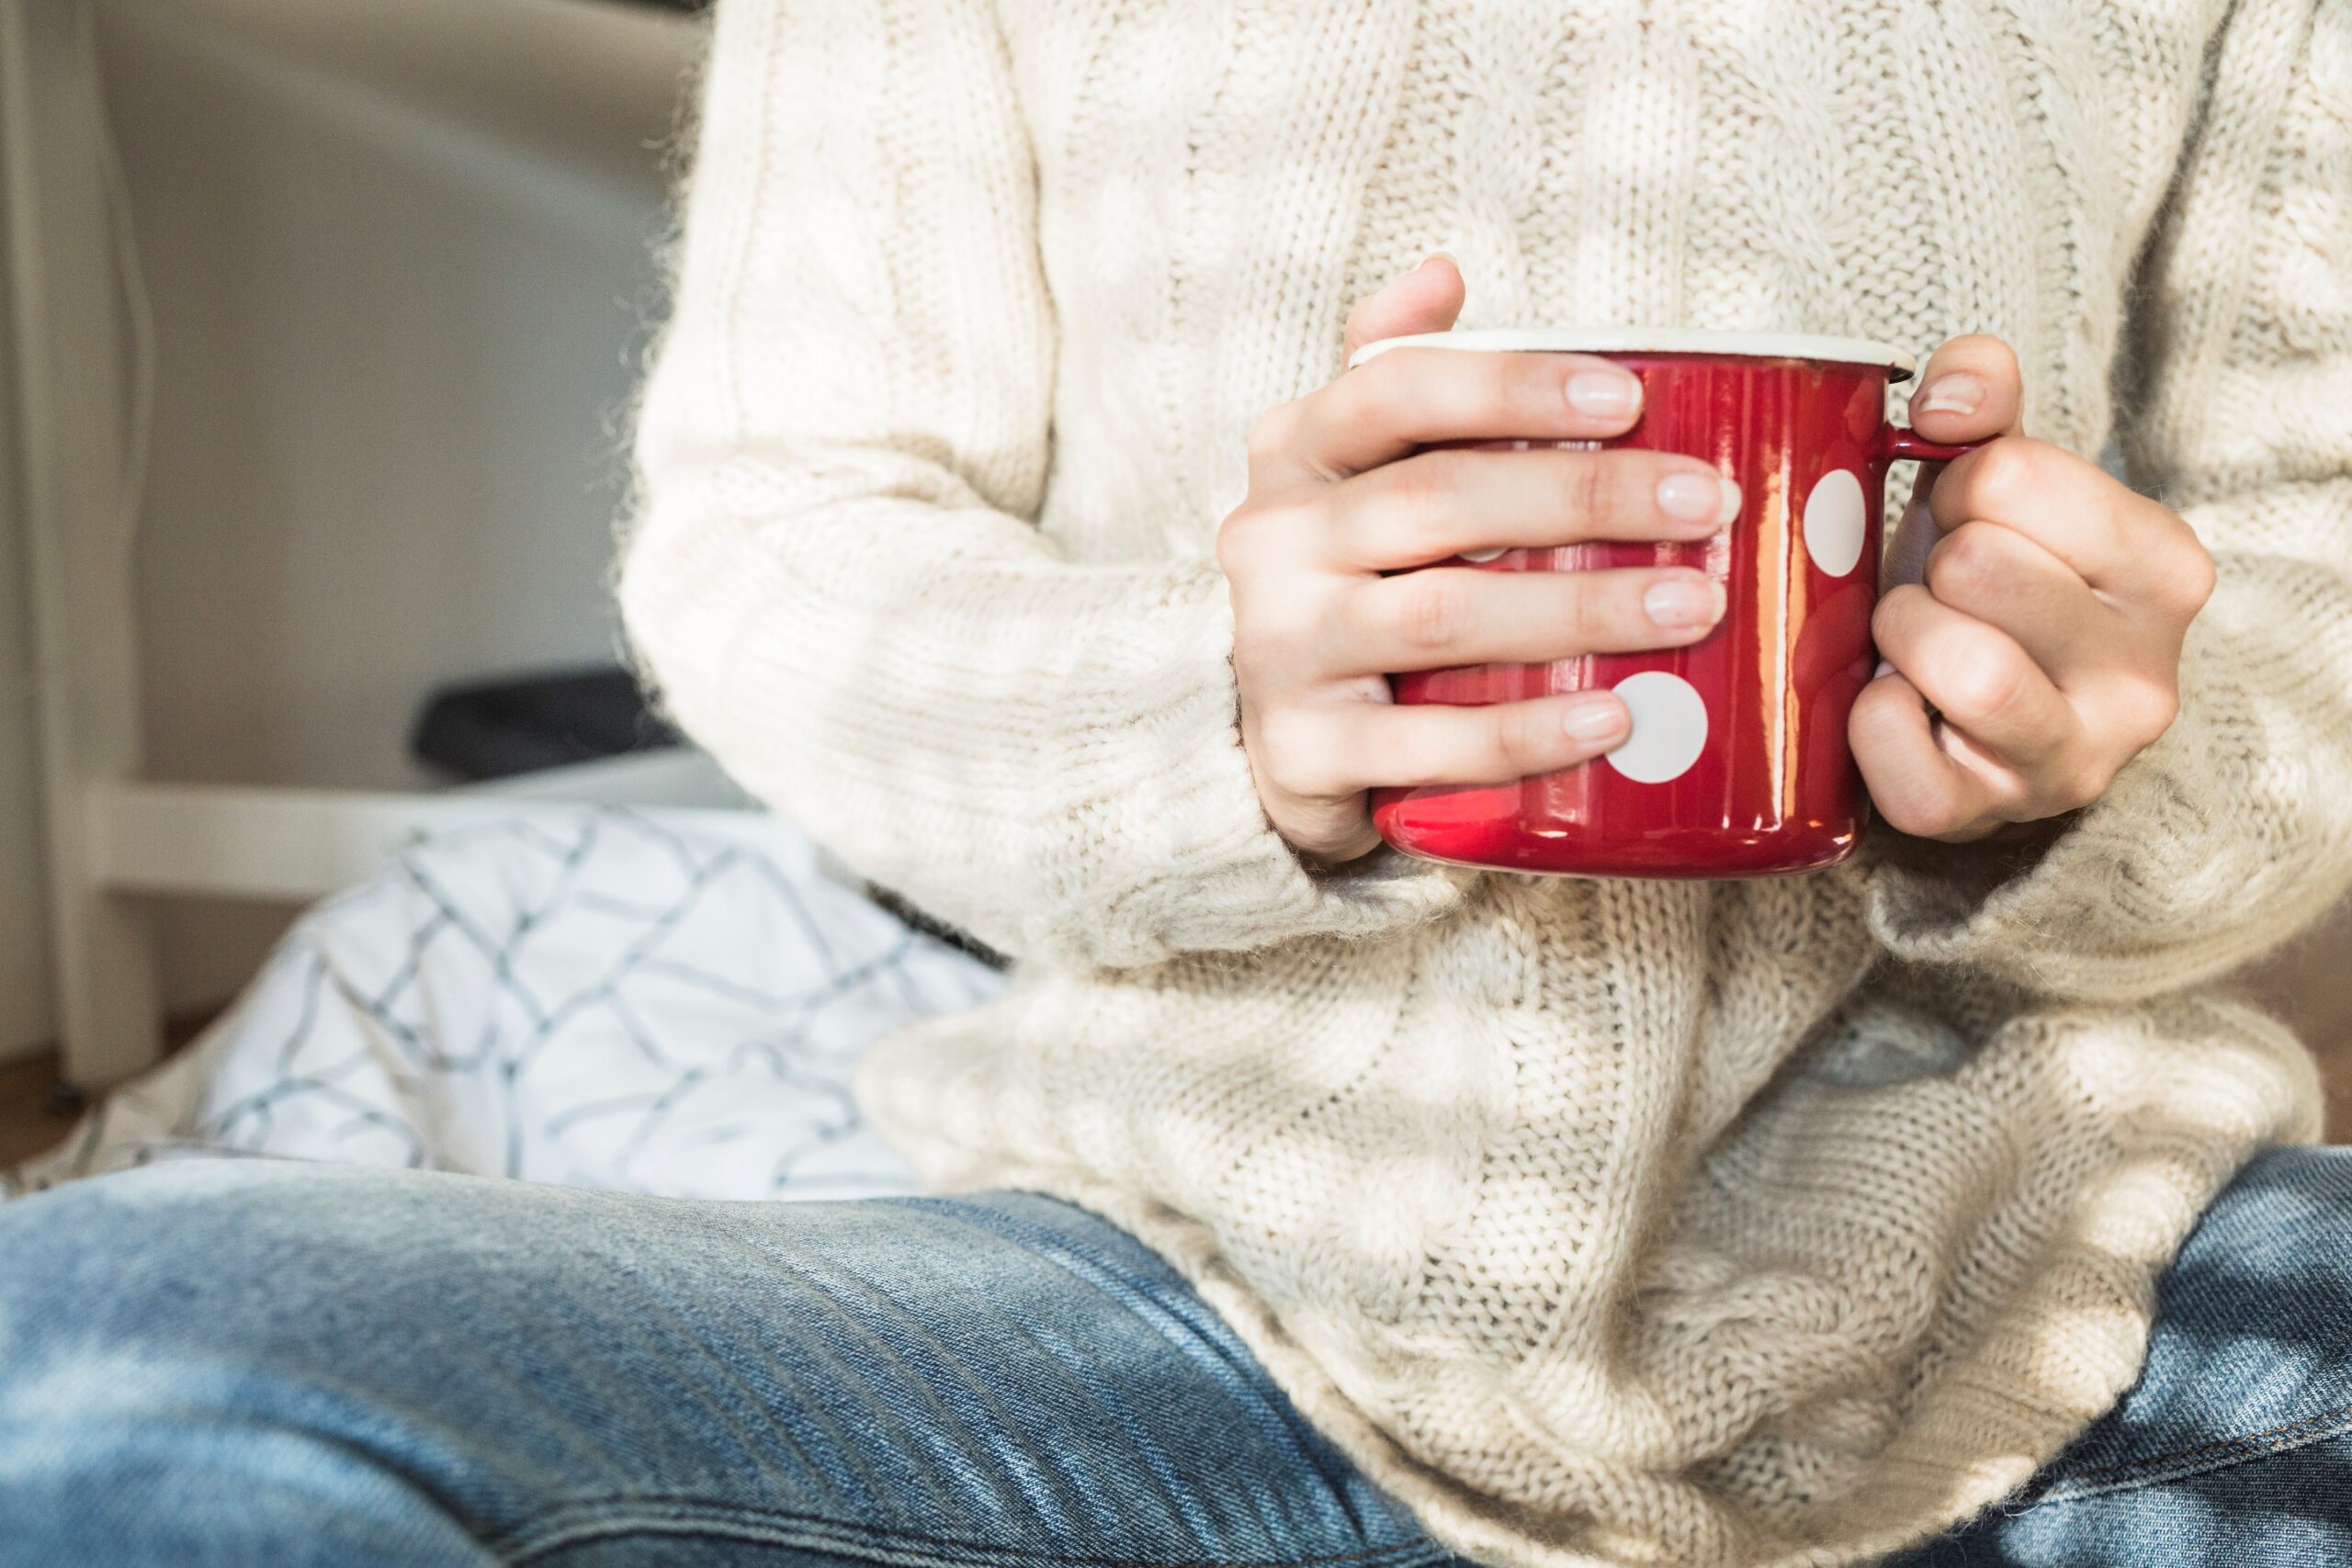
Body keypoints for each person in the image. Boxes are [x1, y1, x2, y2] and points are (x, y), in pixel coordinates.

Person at [4, 1, 2348, 1563]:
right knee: (113, 1322)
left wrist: (2068, 760)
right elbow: (774, 530)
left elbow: (2296, 611)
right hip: (1158, 1288)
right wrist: (1214, 704)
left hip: (2038, 1271)